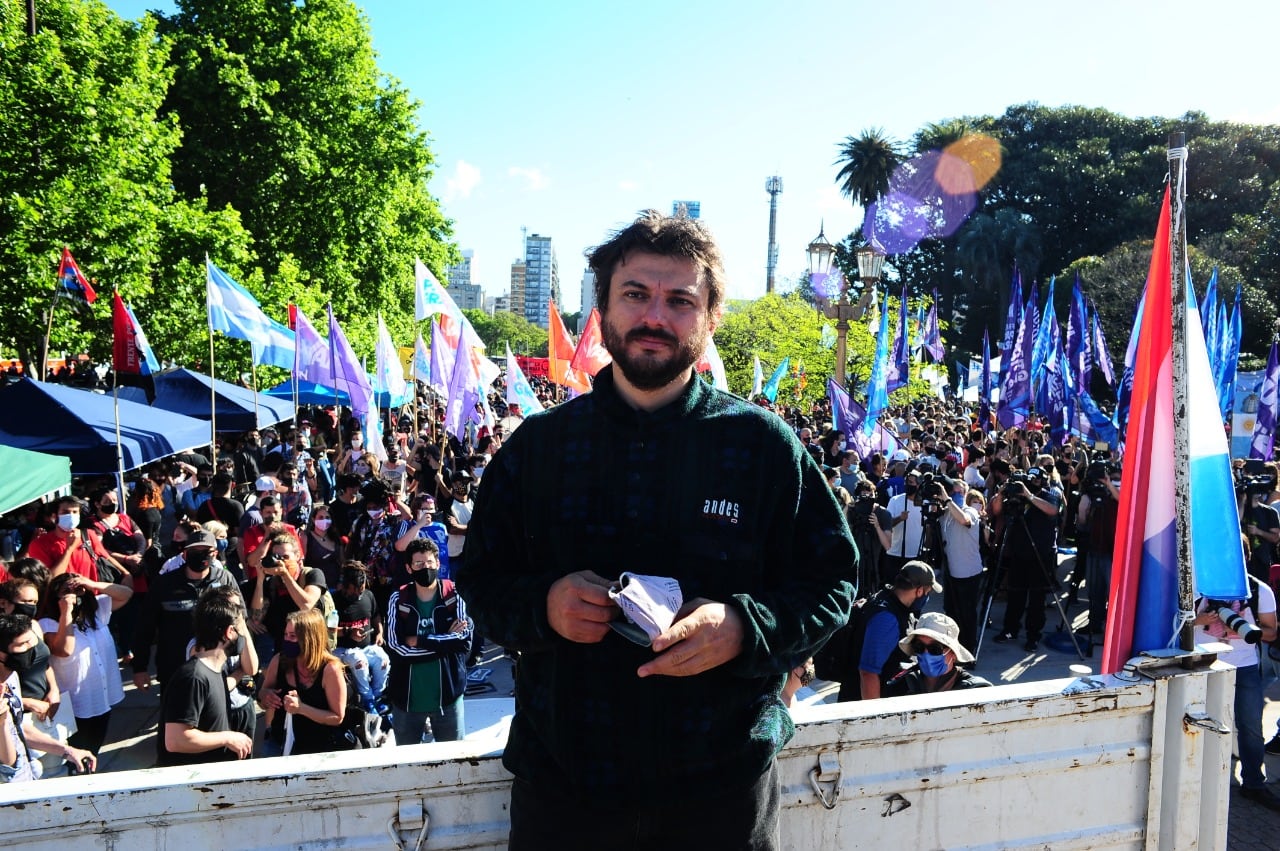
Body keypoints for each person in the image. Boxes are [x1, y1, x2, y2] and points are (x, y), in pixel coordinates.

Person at [458, 211, 857, 849]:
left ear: (711, 318)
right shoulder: (538, 448)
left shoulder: (764, 448)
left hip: (721, 798)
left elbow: (834, 582)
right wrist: (546, 606)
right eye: (636, 295)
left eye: (680, 300)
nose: (655, 316)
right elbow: (478, 578)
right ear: (604, 307)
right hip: (566, 793)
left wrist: (742, 627)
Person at [1194, 575, 1280, 811]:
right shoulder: (1198, 587)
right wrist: (1197, 620)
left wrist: (1246, 629)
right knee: (1199, 725)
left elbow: (1272, 633)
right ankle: (1196, 781)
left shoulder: (1258, 590)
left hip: (1245, 666)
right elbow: (1174, 621)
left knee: (1251, 726)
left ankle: (1253, 783)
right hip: (1204, 662)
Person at [155, 587, 254, 766]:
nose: (243, 636)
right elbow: (176, 740)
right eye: (240, 628)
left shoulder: (213, 671)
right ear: (229, 632)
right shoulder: (193, 677)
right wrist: (227, 738)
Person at [385, 539, 469, 745]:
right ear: (408, 568)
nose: (426, 568)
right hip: (406, 701)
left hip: (448, 698)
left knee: (454, 763)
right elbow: (397, 649)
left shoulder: (455, 595)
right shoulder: (398, 599)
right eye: (419, 564)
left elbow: (464, 640)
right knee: (408, 765)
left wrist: (419, 640)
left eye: (430, 563)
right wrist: (444, 646)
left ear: (438, 564)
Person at [39, 572, 133, 756]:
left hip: (101, 697)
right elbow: (64, 650)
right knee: (77, 752)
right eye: (67, 591)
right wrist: (66, 612)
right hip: (74, 703)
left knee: (93, 751)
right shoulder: (48, 623)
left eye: (78, 590)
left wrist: (91, 583)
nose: (75, 595)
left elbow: (126, 593)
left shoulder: (97, 612)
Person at [133, 530, 238, 692]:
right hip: (174, 668)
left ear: (215, 554)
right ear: (185, 554)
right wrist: (140, 668)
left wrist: (241, 665)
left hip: (217, 666)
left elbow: (240, 620)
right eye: (195, 552)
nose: (201, 556)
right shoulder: (164, 584)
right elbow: (145, 626)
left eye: (206, 552)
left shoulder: (225, 580)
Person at [0, 614, 97, 782]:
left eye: (33, 641)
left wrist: (68, 751)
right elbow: (7, 763)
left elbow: (16, 728)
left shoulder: (11, 677)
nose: (33, 649)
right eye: (23, 644)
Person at [834, 561, 939, 702]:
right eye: (927, 592)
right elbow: (868, 672)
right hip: (863, 704)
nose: (926, 597)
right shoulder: (886, 619)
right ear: (919, 591)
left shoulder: (889, 601)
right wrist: (876, 718)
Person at [991, 466, 1063, 652]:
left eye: (1037, 479)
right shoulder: (1015, 496)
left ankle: (1033, 636)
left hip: (1040, 554)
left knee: (1036, 599)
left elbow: (1053, 510)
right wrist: (1001, 493)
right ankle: (1010, 629)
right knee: (1015, 595)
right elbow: (997, 510)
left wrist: (1029, 495)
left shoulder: (1049, 494)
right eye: (1030, 479)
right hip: (1018, 553)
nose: (1033, 482)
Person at [258, 608, 348, 756]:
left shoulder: (330, 669)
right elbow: (262, 696)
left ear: (309, 638)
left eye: (293, 636)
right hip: (279, 742)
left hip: (315, 750)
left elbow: (337, 717)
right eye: (286, 635)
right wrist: (266, 696)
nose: (287, 640)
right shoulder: (279, 660)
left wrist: (301, 708)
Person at [249, 532, 325, 665]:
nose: (281, 562)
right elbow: (256, 617)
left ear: (298, 557)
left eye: (285, 557)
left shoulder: (312, 574)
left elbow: (306, 605)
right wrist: (260, 580)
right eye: (277, 557)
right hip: (278, 647)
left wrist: (285, 575)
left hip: (306, 643)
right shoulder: (271, 581)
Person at [882, 612, 992, 696]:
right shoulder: (902, 684)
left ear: (953, 653)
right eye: (919, 647)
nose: (926, 654)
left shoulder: (975, 692)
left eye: (935, 649)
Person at [331, 563, 389, 712]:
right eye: (354, 590)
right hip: (342, 649)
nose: (358, 593)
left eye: (361, 589)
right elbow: (327, 630)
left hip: (366, 646)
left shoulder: (368, 595)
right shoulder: (335, 601)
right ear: (346, 586)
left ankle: (378, 695)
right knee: (359, 661)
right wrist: (348, 631)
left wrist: (379, 633)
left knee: (383, 659)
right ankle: (367, 699)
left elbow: (376, 616)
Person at [940, 484, 985, 656]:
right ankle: (952, 645)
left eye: (961, 492)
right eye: (954, 491)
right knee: (951, 611)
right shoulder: (945, 514)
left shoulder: (970, 511)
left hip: (969, 572)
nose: (957, 494)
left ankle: (968, 648)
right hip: (950, 572)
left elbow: (965, 520)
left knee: (967, 613)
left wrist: (947, 499)